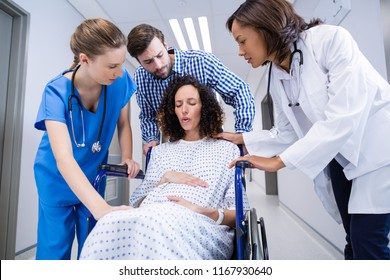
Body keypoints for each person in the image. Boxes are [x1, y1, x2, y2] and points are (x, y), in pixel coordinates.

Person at [216, 0, 390, 260]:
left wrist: (277, 162)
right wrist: (242, 138)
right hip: (340, 161)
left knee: (368, 241)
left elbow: (342, 117)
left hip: (376, 153)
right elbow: (287, 132)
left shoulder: (331, 41)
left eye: (242, 41)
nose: (240, 51)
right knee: (353, 239)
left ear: (266, 28)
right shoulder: (276, 76)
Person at [80, 75, 249, 260]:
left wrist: (203, 211)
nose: (184, 110)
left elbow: (239, 213)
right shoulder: (161, 152)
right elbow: (137, 202)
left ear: (205, 107)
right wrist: (165, 178)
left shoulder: (227, 150)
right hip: (151, 213)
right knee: (108, 223)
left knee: (154, 226)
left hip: (196, 221)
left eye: (191, 103)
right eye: (178, 105)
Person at [33, 18, 141, 260]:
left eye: (122, 63)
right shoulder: (55, 93)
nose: (120, 72)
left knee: (94, 247)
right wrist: (101, 207)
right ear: (84, 60)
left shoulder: (120, 81)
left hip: (93, 176)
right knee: (54, 251)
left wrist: (126, 156)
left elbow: (123, 123)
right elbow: (64, 159)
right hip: (56, 178)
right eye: (112, 66)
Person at [126, 23, 256, 155]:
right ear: (139, 62)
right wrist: (151, 139)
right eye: (148, 62)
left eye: (159, 55)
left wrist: (242, 135)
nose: (158, 65)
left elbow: (240, 91)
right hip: (176, 146)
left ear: (165, 45)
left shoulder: (201, 62)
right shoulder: (141, 77)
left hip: (211, 142)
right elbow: (148, 116)